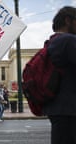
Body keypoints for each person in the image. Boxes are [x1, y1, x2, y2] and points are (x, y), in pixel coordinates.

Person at [43, 6, 76, 144]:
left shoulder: (52, 42)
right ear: (68, 21)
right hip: (70, 109)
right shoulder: (68, 40)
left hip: (58, 108)